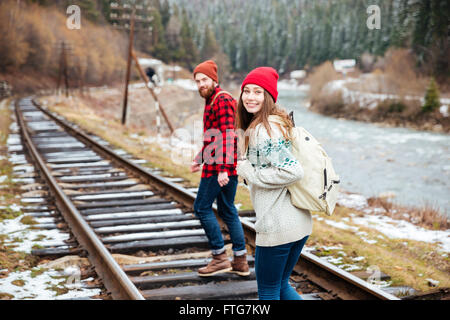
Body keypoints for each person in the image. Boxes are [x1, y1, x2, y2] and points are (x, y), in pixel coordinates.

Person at [235, 67, 312, 300]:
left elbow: (292, 171)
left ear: (268, 97)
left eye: (257, 92)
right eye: (246, 91)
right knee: (281, 287)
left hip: (277, 225)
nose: (249, 97)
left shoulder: (264, 130)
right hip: (298, 222)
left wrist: (249, 172)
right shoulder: (278, 122)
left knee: (268, 291)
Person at [191, 60, 250, 277]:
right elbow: (212, 137)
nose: (200, 84)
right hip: (222, 164)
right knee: (227, 210)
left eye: (204, 80)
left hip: (219, 167)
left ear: (214, 80)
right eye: (197, 81)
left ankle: (219, 257)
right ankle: (241, 260)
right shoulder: (211, 100)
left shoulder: (222, 99)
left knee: (201, 207)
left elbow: (227, 135)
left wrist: (224, 169)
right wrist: (199, 158)